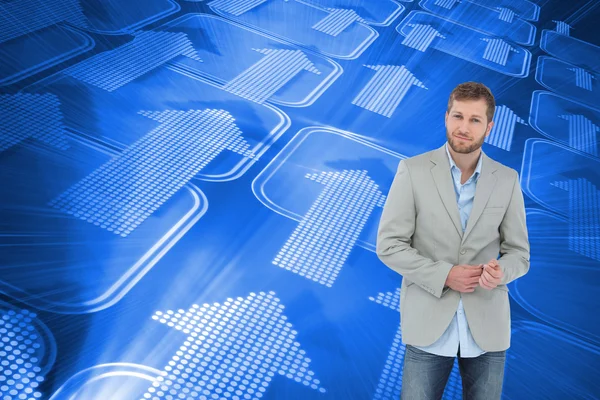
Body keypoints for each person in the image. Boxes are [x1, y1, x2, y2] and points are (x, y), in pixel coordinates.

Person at [376, 81, 530, 400]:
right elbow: (389, 245)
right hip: (427, 326)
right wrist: (445, 275)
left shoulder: (507, 179)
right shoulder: (413, 170)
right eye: (458, 116)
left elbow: (519, 254)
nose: (463, 127)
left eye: (474, 120)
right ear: (446, 117)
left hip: (487, 329)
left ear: (489, 127)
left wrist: (503, 271)